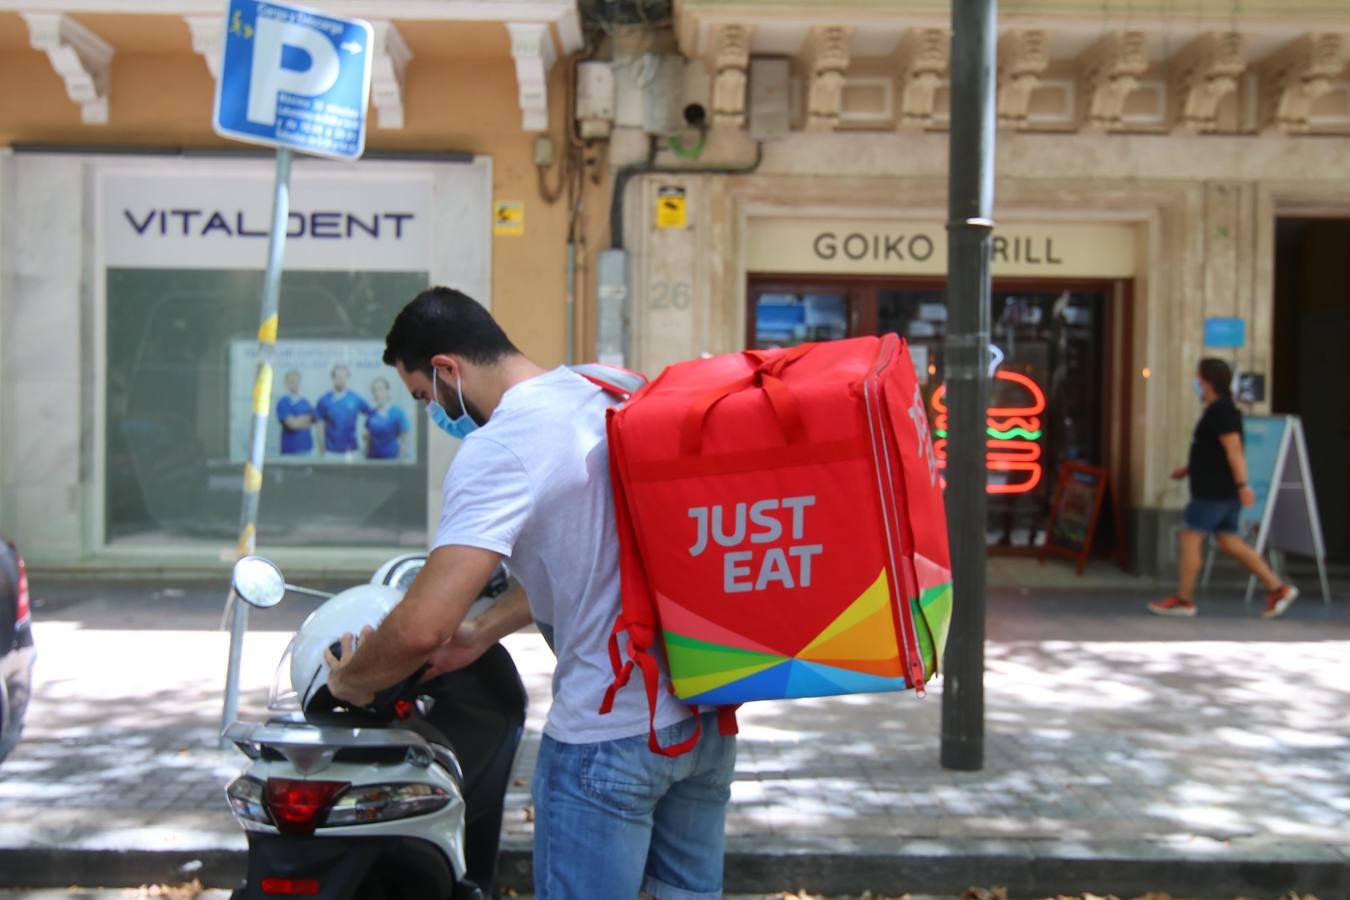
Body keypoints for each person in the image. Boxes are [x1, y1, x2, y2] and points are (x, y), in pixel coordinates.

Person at [322, 287, 735, 899]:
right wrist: (484, 630)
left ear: (446, 370)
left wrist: (352, 681)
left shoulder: (502, 447)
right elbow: (600, 555)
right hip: (702, 718)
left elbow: (421, 625)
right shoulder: (606, 390)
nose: (430, 411)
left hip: (607, 738)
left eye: (422, 396)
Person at [1149, 358, 1299, 619]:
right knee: (1229, 541)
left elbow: (1233, 450)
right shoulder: (1222, 410)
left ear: (1206, 381)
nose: (1196, 383)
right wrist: (1188, 470)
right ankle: (1278, 588)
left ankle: (1184, 599)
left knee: (1190, 536)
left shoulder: (1221, 412)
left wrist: (1243, 485)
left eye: (1198, 378)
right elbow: (1213, 451)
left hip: (1214, 492)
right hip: (1222, 490)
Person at [314, 364, 372, 457]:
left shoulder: (355, 398)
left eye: (344, 376)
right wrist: (322, 450)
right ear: (333, 378)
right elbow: (319, 426)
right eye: (338, 376)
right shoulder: (324, 400)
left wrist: (367, 438)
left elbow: (372, 415)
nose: (341, 380)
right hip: (330, 452)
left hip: (352, 451)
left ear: (348, 378)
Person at [363, 376, 411, 461]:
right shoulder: (370, 413)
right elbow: (367, 440)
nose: (377, 393)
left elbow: (406, 439)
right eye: (374, 390)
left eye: (380, 389)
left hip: (391, 461)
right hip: (372, 461)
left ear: (387, 391)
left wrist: (400, 460)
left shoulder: (398, 412)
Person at [275, 370, 314, 456]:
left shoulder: (305, 402)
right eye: (291, 381)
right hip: (290, 450)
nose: (295, 384)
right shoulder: (283, 402)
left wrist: (298, 419)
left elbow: (314, 420)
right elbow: (292, 425)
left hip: (308, 449)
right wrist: (306, 419)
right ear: (286, 383)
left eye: (297, 381)